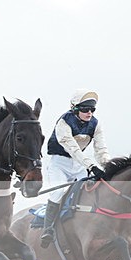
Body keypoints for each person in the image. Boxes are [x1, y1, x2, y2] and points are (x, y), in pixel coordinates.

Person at [40, 89, 110, 247]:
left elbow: (101, 150)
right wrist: (91, 166)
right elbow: (73, 149)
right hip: (59, 163)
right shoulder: (64, 122)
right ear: (75, 109)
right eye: (85, 109)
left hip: (79, 165)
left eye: (92, 109)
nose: (89, 113)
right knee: (58, 191)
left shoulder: (95, 124)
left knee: (91, 192)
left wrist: (108, 167)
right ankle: (47, 229)